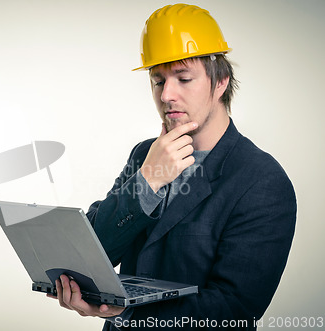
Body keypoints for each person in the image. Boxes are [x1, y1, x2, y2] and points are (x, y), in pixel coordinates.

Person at [49, 3, 297, 330]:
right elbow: (96, 255)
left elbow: (235, 308)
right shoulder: (145, 155)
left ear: (220, 81)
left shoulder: (262, 181)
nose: (167, 95)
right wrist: (148, 180)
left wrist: (128, 312)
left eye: (183, 78)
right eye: (157, 81)